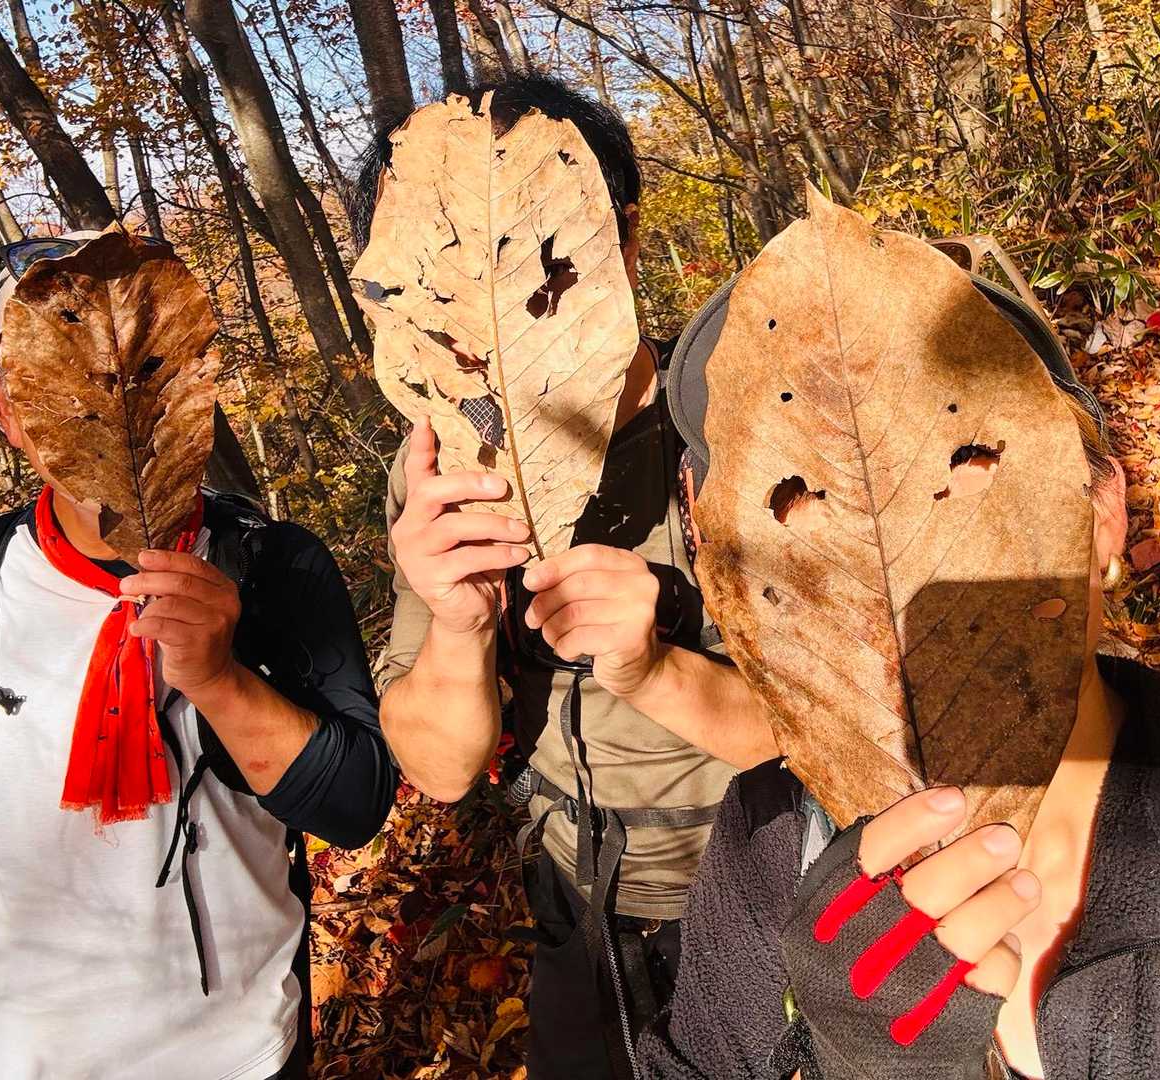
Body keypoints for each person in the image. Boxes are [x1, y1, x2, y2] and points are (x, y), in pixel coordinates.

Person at [635, 264, 1160, 1080]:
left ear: (1102, 516)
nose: (877, 548)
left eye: (955, 454)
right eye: (794, 497)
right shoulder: (771, 839)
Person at [0, 232, 398, 1080]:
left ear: (194, 383)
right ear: (6, 405)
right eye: (60, 377)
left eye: (148, 369)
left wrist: (220, 680)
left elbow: (352, 808)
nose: (111, 401)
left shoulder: (273, 567)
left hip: (244, 1054)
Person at [355, 75, 778, 1080]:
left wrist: (655, 670)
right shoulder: (440, 471)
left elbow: (844, 731)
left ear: (619, 237)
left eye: (533, 245)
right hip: (584, 914)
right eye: (438, 268)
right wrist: (460, 626)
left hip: (782, 892)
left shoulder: (744, 424)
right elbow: (440, 769)